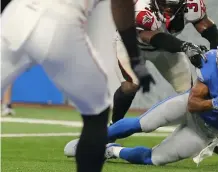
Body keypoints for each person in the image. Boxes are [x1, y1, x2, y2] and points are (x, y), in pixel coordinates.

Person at [64, 30, 218, 166]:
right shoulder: (210, 64)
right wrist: (214, 103)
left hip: (207, 131)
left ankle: (111, 151)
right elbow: (192, 103)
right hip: (189, 107)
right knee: (143, 123)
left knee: (154, 159)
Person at [1, 0, 153, 171]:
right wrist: (135, 59)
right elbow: (121, 6)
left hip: (14, 16)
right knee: (97, 112)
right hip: (60, 22)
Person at [112, 0, 218, 155]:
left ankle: (206, 131)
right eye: (164, 2)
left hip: (164, 49)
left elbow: (209, 31)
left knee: (192, 92)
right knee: (131, 85)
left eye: (172, 5)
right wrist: (185, 47)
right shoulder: (141, 7)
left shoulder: (191, 5)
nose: (167, 8)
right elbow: (150, 36)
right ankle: (112, 129)